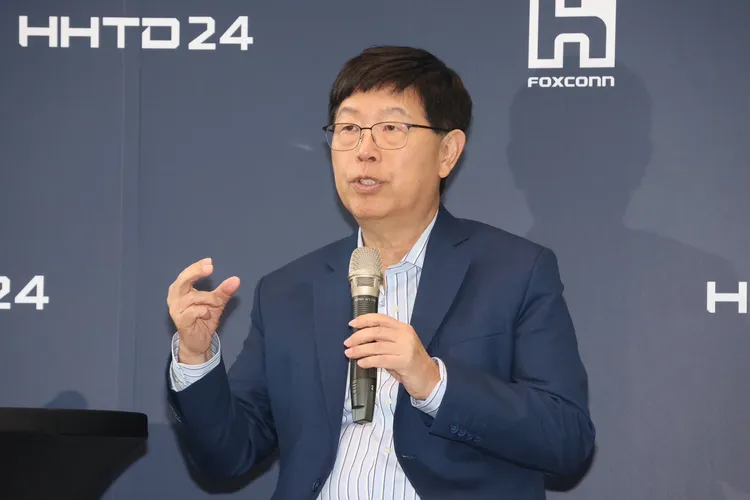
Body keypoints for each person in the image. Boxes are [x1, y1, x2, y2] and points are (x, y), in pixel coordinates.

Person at [165, 45, 595, 500]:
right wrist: (196, 356)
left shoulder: (514, 270)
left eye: (391, 129)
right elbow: (226, 455)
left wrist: (434, 383)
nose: (364, 151)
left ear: (448, 152)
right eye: (348, 129)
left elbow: (566, 440)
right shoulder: (288, 290)